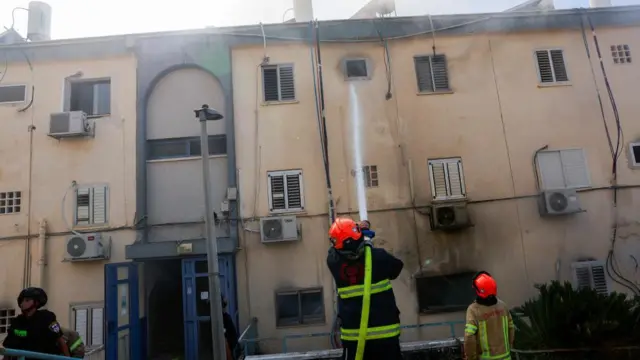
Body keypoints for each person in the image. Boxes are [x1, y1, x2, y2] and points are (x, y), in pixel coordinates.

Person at [326, 217, 404, 360]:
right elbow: (397, 268)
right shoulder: (379, 257)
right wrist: (363, 237)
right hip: (386, 338)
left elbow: (335, 250)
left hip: (353, 339)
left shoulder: (333, 262)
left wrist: (357, 235)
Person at [3, 287, 71, 359]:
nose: (23, 303)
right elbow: (8, 347)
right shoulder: (17, 322)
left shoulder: (48, 318)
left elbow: (60, 340)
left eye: (27, 300)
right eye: (21, 300)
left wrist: (68, 358)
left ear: (37, 302)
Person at [464, 271, 515, 360]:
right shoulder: (503, 306)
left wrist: (471, 357)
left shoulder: (473, 310)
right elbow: (511, 328)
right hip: (506, 357)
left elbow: (469, 337)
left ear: (478, 290)